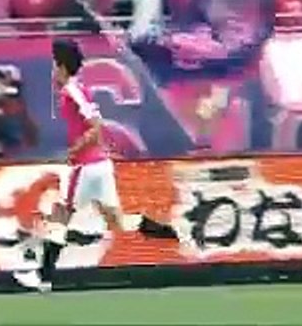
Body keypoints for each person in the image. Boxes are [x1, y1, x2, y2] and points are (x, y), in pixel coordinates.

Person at [13, 39, 182, 293]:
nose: (52, 71)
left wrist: (74, 151)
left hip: (85, 167)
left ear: (62, 67)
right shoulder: (77, 89)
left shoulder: (72, 91)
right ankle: (173, 233)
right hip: (101, 166)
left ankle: (43, 278)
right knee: (118, 222)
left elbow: (96, 127)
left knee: (61, 216)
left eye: (54, 65)